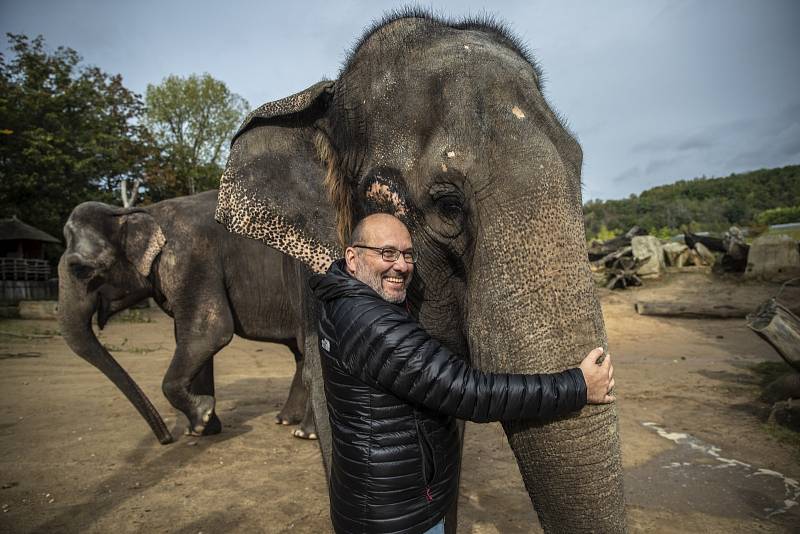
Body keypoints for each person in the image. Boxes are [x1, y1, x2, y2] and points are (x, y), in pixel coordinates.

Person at [309, 213, 615, 534]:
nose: (401, 265)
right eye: (387, 253)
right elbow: (470, 393)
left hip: (371, 501)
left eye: (408, 254)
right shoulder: (376, 326)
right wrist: (577, 386)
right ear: (352, 258)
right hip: (399, 518)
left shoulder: (339, 299)